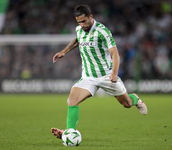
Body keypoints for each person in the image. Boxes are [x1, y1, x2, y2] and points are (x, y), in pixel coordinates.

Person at [51, 4, 147, 139]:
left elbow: (114, 53)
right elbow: (77, 40)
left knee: (127, 104)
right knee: (72, 100)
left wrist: (114, 74)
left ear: (91, 17)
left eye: (84, 21)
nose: (82, 25)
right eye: (79, 22)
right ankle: (70, 132)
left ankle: (135, 98)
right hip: (88, 77)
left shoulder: (102, 31)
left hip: (107, 76)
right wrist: (63, 52)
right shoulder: (79, 29)